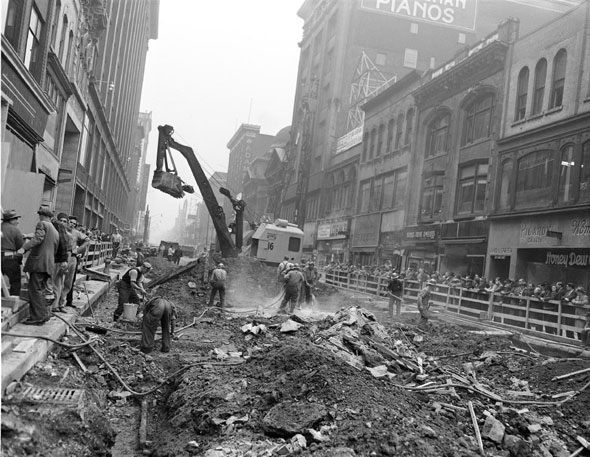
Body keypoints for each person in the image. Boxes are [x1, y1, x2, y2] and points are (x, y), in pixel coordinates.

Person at [21, 207, 59, 325]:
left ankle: (37, 317)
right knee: (41, 290)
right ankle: (43, 315)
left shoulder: (42, 223)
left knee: (34, 290)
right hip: (48, 264)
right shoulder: (54, 230)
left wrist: (24, 248)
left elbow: (38, 238)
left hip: (39, 263)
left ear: (42, 215)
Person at [64, 215, 89, 308]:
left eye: (74, 224)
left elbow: (87, 239)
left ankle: (69, 301)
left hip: (72, 258)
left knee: (71, 280)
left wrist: (79, 250)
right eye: (71, 222)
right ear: (67, 222)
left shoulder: (76, 233)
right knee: (60, 280)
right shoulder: (62, 231)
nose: (72, 225)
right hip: (62, 257)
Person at [50, 213, 72, 313]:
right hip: (62, 262)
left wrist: (66, 262)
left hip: (56, 261)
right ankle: (55, 305)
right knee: (57, 284)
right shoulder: (66, 235)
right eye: (61, 220)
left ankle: (53, 306)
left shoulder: (60, 234)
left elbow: (68, 250)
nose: (62, 223)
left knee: (55, 284)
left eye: (64, 221)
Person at [1, 209, 25, 296]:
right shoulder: (15, 230)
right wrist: (19, 260)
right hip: (9, 259)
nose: (17, 222)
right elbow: (21, 248)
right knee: (15, 282)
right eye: (16, 219)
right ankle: (14, 303)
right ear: (11, 220)